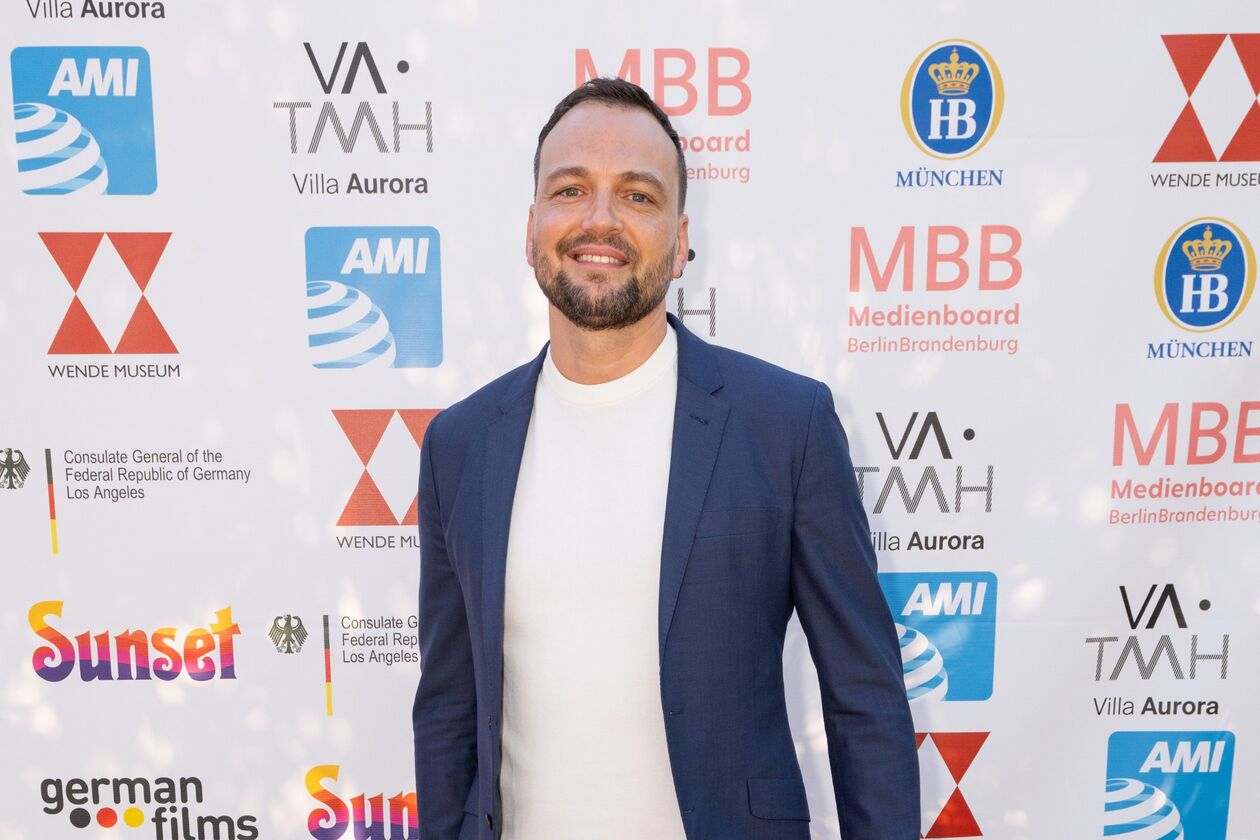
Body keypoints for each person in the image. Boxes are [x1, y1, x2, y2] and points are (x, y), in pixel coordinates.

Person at [413, 77, 918, 840]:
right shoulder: (460, 445)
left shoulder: (787, 426)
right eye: (570, 190)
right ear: (532, 228)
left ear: (681, 242)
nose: (600, 218)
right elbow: (449, 708)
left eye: (638, 195)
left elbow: (864, 697)